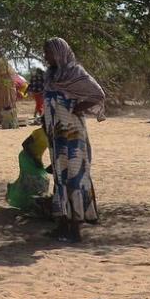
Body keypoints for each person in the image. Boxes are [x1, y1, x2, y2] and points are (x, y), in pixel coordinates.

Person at [42, 37, 105, 243]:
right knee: (60, 177)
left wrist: (77, 109)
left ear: (59, 52)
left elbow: (97, 94)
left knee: (75, 177)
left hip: (73, 136)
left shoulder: (74, 73)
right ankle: (62, 225)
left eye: (49, 52)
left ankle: (75, 229)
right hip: (56, 136)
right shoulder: (50, 76)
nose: (46, 57)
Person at [5, 127, 51, 213]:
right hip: (26, 157)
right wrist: (34, 159)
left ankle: (28, 202)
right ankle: (17, 194)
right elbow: (24, 144)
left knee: (30, 181)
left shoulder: (52, 133)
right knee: (38, 179)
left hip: (36, 158)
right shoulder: (39, 132)